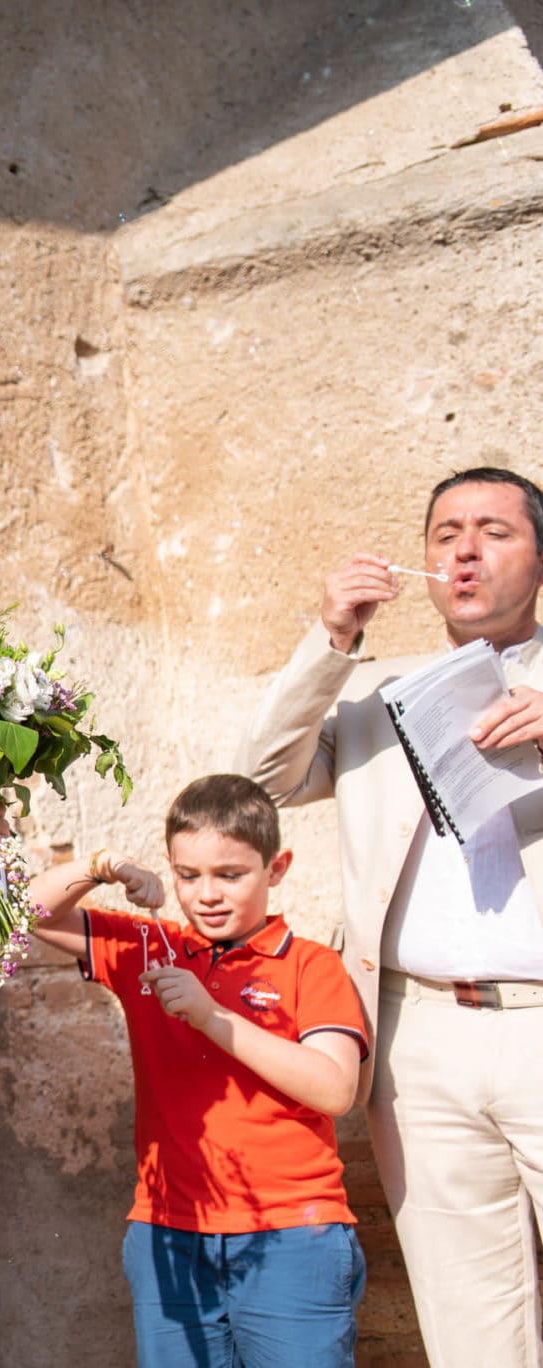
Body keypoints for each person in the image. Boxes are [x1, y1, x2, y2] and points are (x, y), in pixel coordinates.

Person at [241, 466, 543, 1365]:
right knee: (470, 1318)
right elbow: (261, 781)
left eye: (493, 530)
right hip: (418, 1037)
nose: (465, 550)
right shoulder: (382, 696)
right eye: (446, 532)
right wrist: (333, 636)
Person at [23, 775, 367, 1367]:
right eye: (188, 875)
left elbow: (335, 1089)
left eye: (230, 875)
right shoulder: (149, 946)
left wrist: (212, 1017)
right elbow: (22, 911)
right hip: (168, 1233)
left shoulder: (313, 964)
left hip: (292, 1232)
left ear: (276, 868)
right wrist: (101, 866)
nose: (207, 893)